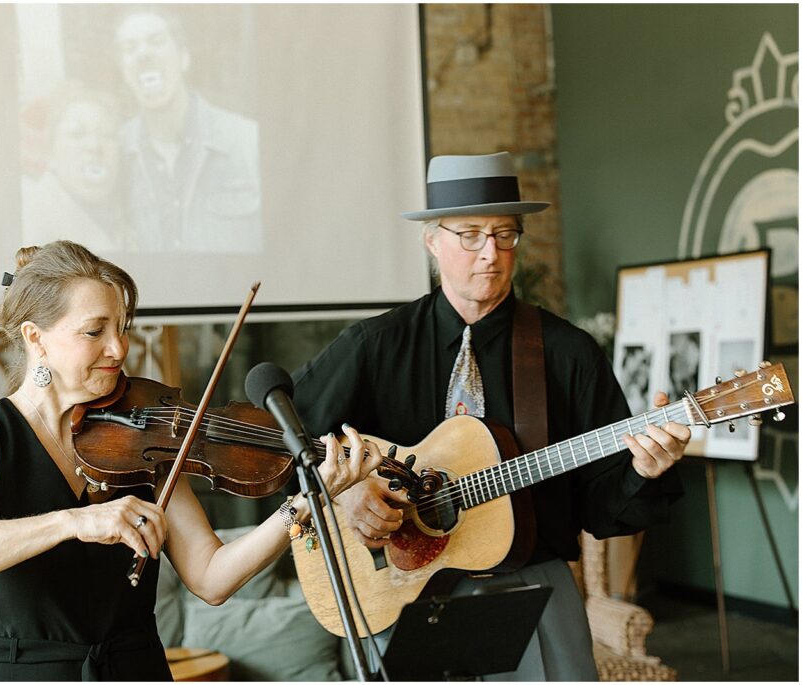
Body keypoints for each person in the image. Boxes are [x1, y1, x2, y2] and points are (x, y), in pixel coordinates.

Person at [291, 152, 690, 680]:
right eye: (471, 235)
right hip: (401, 592)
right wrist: (344, 495)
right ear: (432, 240)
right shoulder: (373, 347)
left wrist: (643, 470)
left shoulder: (567, 353)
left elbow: (599, 506)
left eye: (506, 234)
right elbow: (279, 443)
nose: (492, 254)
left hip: (533, 592)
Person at [0, 240, 380, 681]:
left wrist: (303, 502)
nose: (119, 348)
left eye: (122, 328)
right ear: (36, 338)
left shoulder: (145, 432)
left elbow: (212, 578)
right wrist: (74, 521)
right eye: (95, 331)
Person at [114, 8, 262, 253]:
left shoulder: (247, 141)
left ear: (183, 57)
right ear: (124, 72)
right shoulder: (114, 152)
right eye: (130, 48)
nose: (143, 54)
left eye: (156, 41)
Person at [21, 84, 127, 253]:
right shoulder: (32, 215)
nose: (94, 146)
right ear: (51, 152)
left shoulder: (130, 220)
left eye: (107, 134)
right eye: (77, 134)